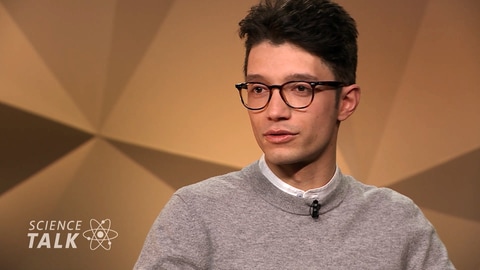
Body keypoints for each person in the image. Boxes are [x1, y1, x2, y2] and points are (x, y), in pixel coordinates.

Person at [134, 0, 455, 269]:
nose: (274, 110)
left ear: (346, 101)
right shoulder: (196, 214)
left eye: (300, 88)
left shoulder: (396, 221)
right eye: (259, 89)